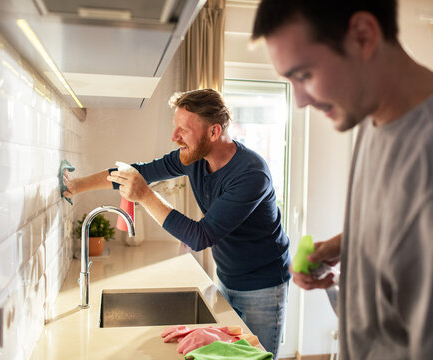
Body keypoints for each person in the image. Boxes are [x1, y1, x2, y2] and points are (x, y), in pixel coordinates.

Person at [252, 1, 433, 359]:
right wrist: (347, 246)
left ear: (363, 35)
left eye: (304, 74)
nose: (300, 100)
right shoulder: (376, 118)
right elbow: (409, 223)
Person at [64, 88, 290, 358]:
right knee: (230, 357)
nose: (174, 137)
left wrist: (145, 196)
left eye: (183, 130)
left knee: (257, 357)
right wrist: (74, 186)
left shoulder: (251, 174)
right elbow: (137, 173)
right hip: (227, 276)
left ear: (214, 132)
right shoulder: (193, 158)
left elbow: (200, 237)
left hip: (264, 286)